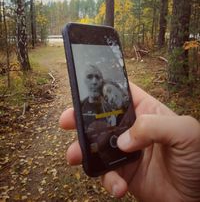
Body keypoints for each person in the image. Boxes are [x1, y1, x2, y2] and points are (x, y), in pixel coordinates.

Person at [59, 82, 200, 201]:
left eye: (110, 91)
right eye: (106, 97)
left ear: (121, 92)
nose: (110, 97)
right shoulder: (114, 118)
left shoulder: (133, 112)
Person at [81, 64, 111, 131]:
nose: (94, 82)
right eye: (89, 77)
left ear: (102, 81)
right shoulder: (81, 106)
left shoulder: (111, 105)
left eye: (98, 77)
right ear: (84, 81)